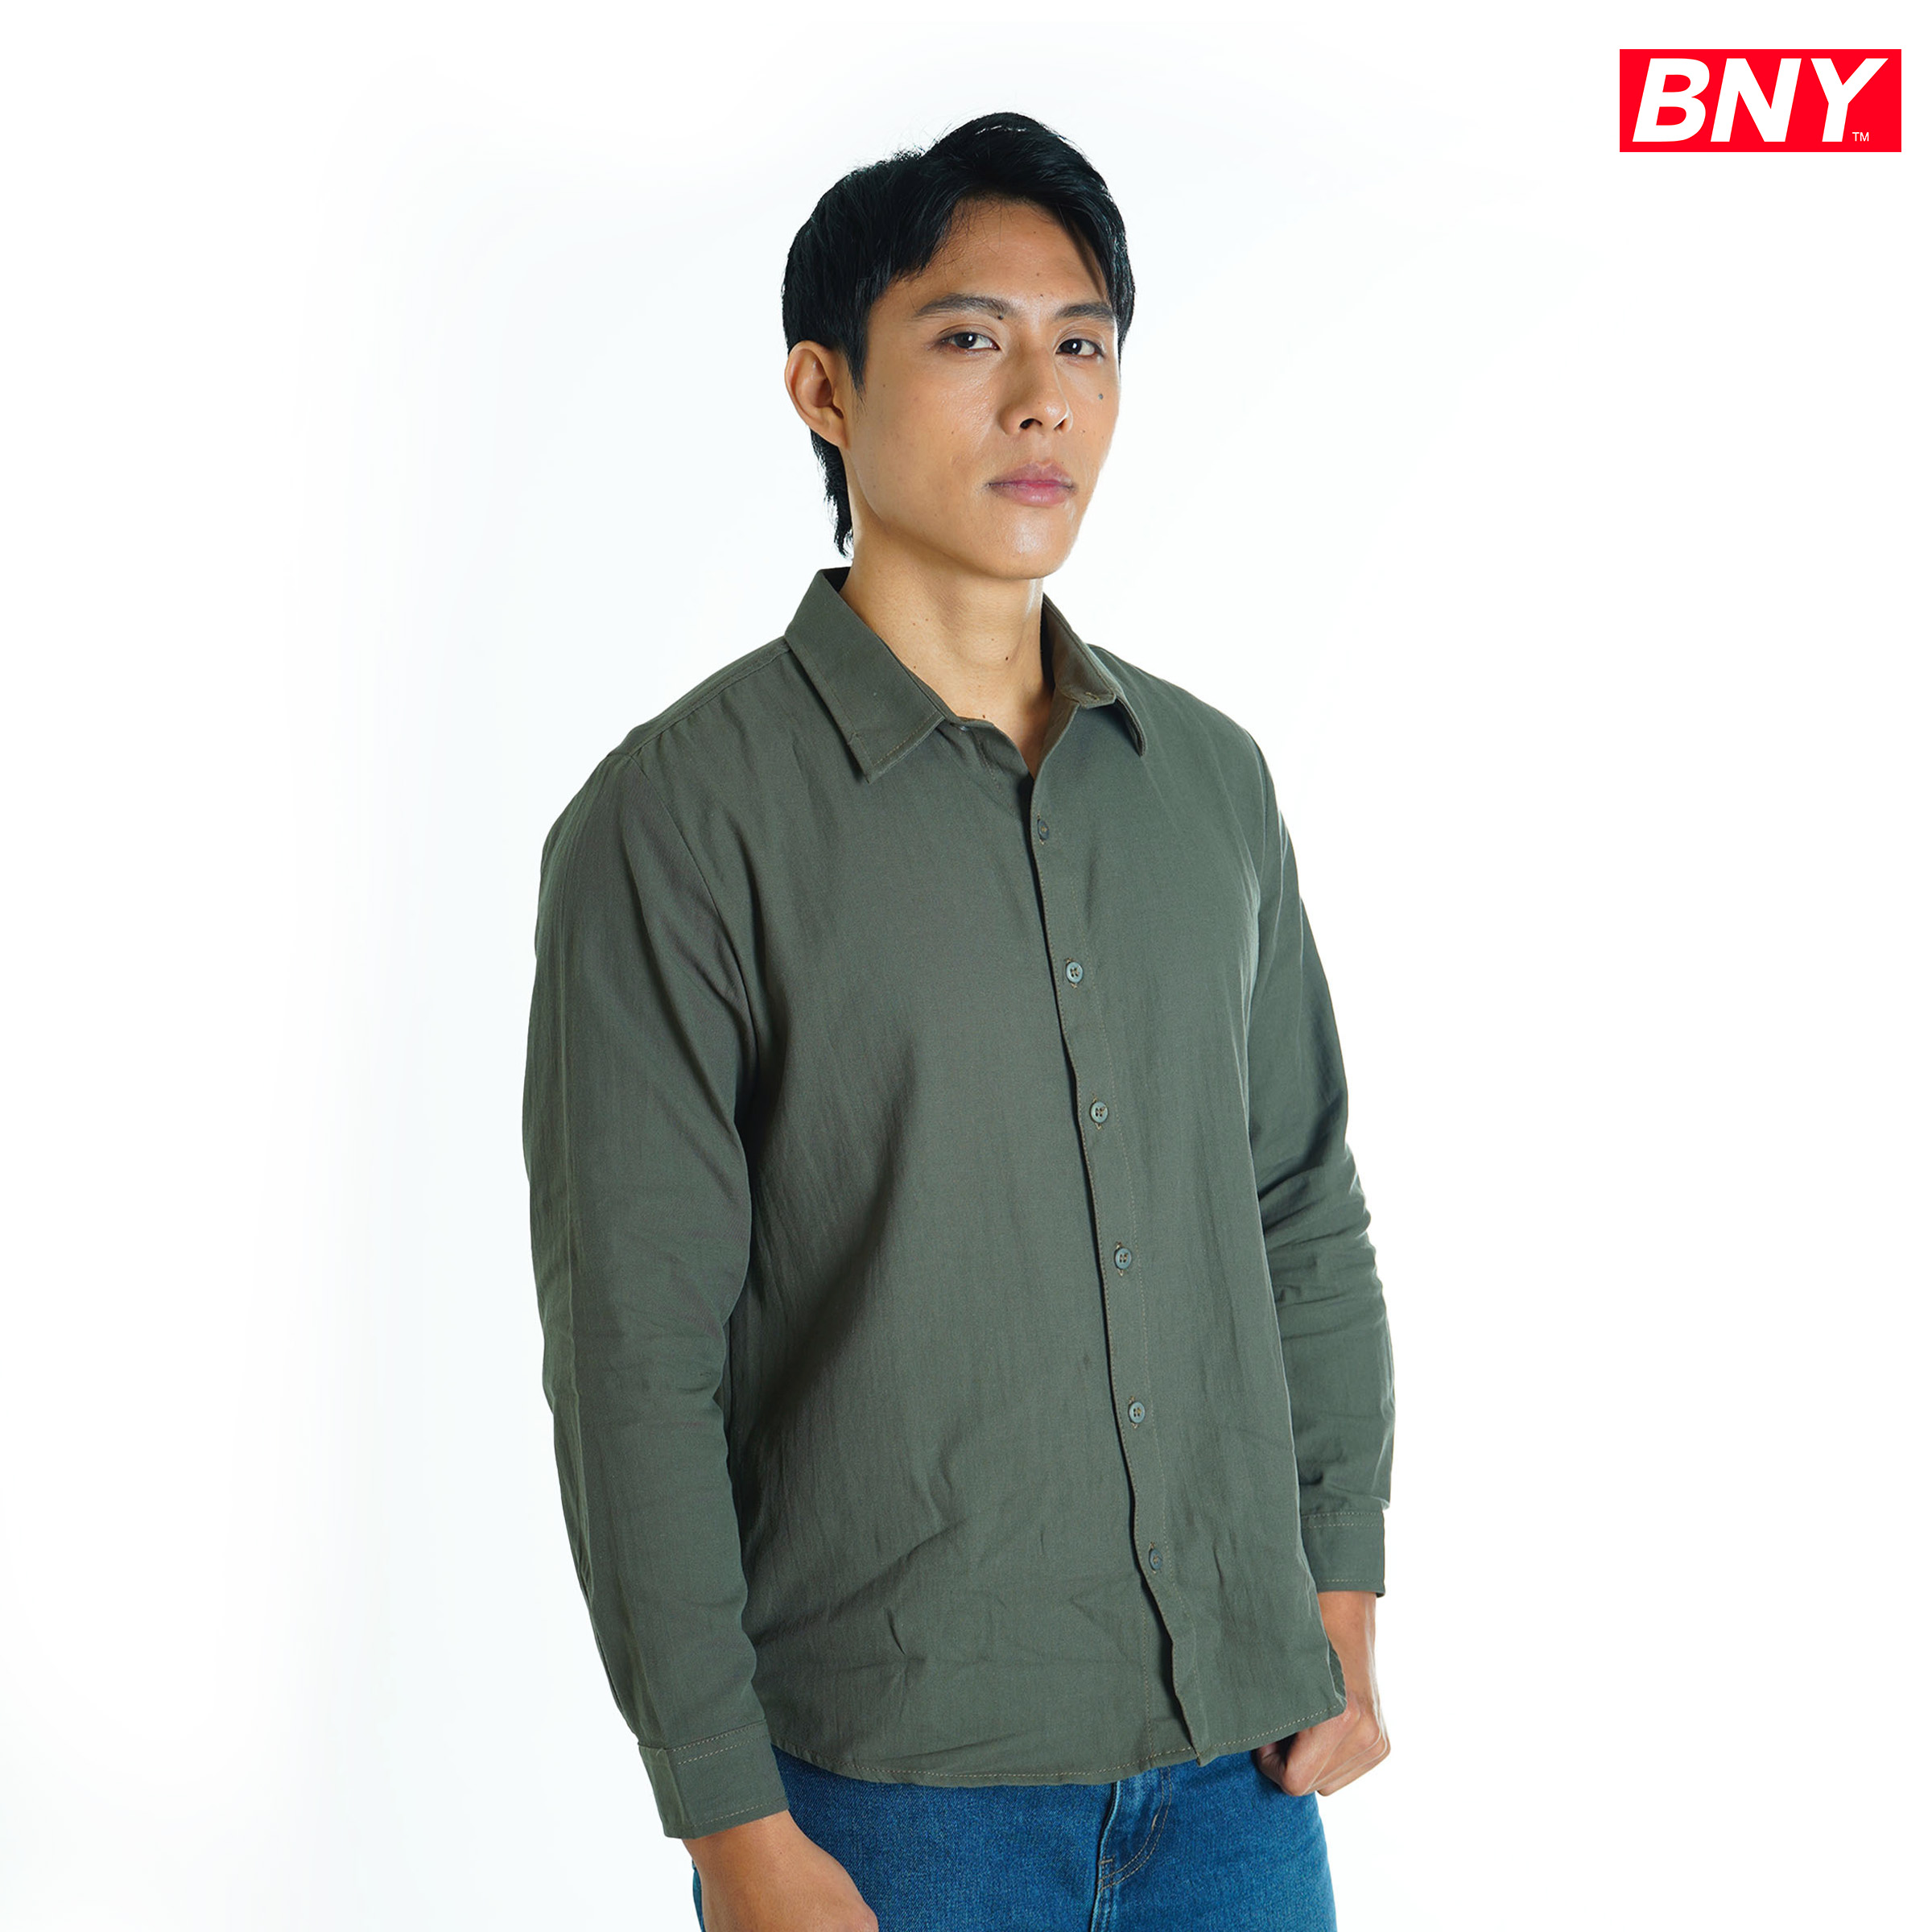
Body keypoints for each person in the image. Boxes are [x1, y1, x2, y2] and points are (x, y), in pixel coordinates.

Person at [522, 110, 1395, 1932]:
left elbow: (1299, 1207)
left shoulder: (1208, 784)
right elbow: (634, 1357)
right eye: (970, 336)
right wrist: (729, 1825)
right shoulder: (678, 818)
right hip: (888, 1807)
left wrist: (1340, 1583)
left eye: (1084, 343)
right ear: (822, 389)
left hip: (1238, 1778)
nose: (1043, 399)